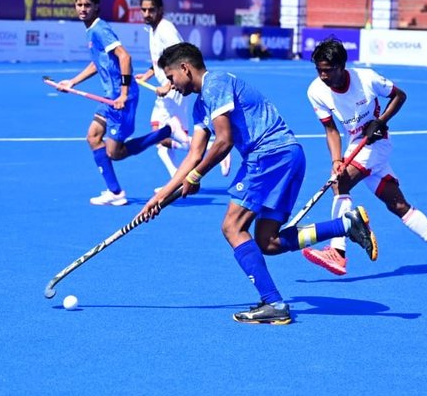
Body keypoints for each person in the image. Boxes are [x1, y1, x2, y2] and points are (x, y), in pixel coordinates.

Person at [138, 42, 378, 325]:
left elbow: (224, 142)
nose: (170, 85)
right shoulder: (201, 105)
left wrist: (195, 176)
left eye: (170, 77)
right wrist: (161, 197)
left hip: (268, 156)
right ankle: (347, 225)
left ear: (185, 68)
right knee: (268, 242)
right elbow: (194, 154)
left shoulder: (215, 84)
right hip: (288, 156)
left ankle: (274, 302)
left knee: (232, 227)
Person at [300, 37, 427, 280]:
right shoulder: (315, 91)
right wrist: (336, 160)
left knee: (341, 184)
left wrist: (380, 122)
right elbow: (331, 130)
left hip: (376, 143)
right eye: (319, 70)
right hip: (354, 145)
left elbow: (400, 96)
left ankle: (337, 251)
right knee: (398, 205)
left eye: (328, 70)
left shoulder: (366, 79)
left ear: (342, 66)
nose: (322, 75)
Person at [57, 0, 185, 205]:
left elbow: (125, 57)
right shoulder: (91, 30)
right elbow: (98, 63)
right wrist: (72, 82)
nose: (83, 9)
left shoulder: (99, 29)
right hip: (110, 96)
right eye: (79, 5)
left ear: (96, 6)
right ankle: (115, 192)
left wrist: (124, 93)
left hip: (120, 98)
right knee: (93, 137)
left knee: (115, 153)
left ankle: (167, 130)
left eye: (87, 5)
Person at [135, 0, 230, 182]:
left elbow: (179, 61)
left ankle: (217, 147)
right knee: (160, 139)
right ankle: (174, 179)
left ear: (160, 10)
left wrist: (168, 86)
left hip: (174, 90)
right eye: (143, 10)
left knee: (162, 136)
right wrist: (146, 75)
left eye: (151, 10)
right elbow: (161, 62)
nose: (146, 14)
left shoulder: (165, 30)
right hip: (167, 90)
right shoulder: (153, 30)